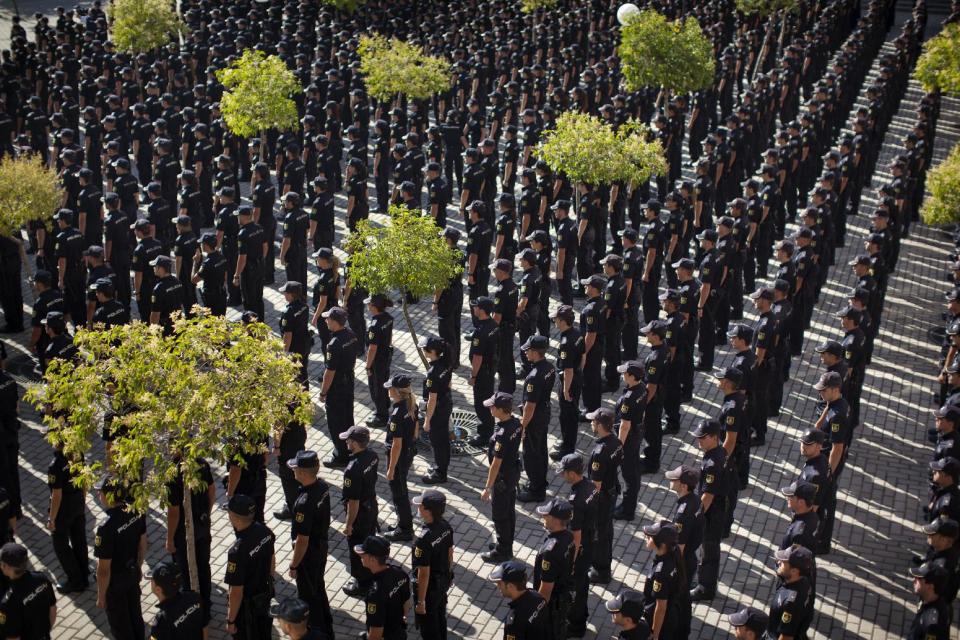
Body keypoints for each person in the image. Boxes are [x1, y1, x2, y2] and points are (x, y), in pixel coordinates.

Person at [286, 450, 334, 637]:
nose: (293, 471)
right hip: (321, 547)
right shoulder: (321, 486)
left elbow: (302, 540)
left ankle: (317, 632)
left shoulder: (304, 503)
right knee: (319, 589)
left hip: (309, 555)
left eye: (296, 468)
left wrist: (294, 564)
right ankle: (327, 628)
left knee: (309, 598)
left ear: (304, 473)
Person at [94, 476, 147, 640]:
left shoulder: (105, 528)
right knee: (135, 615)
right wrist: (137, 565)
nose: (98, 496)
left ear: (109, 497)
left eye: (100, 493)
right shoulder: (135, 510)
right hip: (132, 573)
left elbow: (103, 570)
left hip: (115, 583)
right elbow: (143, 544)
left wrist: (101, 595)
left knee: (120, 625)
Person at [165, 456, 215, 628]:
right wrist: (206, 514)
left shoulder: (173, 473)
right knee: (203, 566)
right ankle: (206, 605)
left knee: (186, 573)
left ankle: (193, 613)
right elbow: (211, 490)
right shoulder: (202, 462)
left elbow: (173, 512)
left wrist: (169, 538)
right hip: (201, 526)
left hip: (184, 532)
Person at [224, 494, 276, 639]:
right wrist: (270, 579)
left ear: (234, 517)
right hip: (265, 597)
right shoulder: (264, 531)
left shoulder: (237, 552)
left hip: (247, 610)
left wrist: (231, 619)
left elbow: (236, 591)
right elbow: (272, 557)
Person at [340, 425, 380, 597]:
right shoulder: (372, 456)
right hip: (371, 505)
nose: (346, 442)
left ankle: (362, 583)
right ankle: (371, 572)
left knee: (357, 548)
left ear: (355, 444)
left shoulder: (352, 470)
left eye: (349, 440)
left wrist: (349, 524)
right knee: (369, 541)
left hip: (360, 513)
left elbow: (353, 501)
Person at [481, 392, 521, 562]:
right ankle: (506, 544)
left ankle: (502, 551)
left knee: (500, 515)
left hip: (502, 478)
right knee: (509, 511)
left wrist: (487, 488)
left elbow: (495, 464)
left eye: (492, 406)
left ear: (501, 410)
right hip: (513, 474)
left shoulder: (502, 435)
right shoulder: (516, 423)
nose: (490, 408)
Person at [689, 419, 727, 602]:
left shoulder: (713, 462)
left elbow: (708, 495)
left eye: (703, 438)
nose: (699, 441)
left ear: (714, 437)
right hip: (718, 510)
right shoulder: (719, 452)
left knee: (708, 551)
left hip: (713, 513)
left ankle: (705, 588)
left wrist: (696, 516)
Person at [559, 453, 596, 637]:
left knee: (577, 588)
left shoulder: (575, 499)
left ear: (572, 473)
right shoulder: (589, 484)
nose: (561, 476)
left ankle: (576, 625)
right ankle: (581, 617)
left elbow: (576, 534)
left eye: (563, 472)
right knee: (583, 584)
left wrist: (572, 561)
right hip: (591, 541)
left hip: (582, 548)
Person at [411, 489, 454, 640]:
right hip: (442, 581)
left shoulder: (423, 539)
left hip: (429, 588)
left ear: (427, 511)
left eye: (420, 506)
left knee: (429, 627)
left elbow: (423, 573)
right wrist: (448, 576)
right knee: (440, 617)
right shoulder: (446, 526)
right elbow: (450, 553)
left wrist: (421, 601)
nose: (418, 508)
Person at [319, 307, 359, 467]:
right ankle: (352, 446)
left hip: (336, 387)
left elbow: (329, 372)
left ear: (335, 322)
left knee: (335, 422)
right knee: (347, 416)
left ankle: (341, 455)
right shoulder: (351, 335)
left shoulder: (333, 344)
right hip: (348, 380)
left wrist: (323, 392)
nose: (326, 320)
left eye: (328, 318)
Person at [587, 407, 622, 584]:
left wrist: (588, 504)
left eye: (593, 421)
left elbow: (596, 485)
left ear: (600, 425)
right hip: (612, 492)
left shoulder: (600, 452)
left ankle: (601, 571)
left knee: (599, 534)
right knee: (606, 531)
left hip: (602, 497)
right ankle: (604, 565)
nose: (591, 423)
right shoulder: (616, 442)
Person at [47, 441, 88, 594]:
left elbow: (56, 494)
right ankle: (84, 574)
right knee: (79, 540)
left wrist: (52, 519)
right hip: (78, 502)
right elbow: (84, 479)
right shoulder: (77, 453)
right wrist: (82, 501)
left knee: (61, 546)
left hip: (63, 510)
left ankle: (76, 581)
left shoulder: (55, 465)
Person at [533, 498, 576, 637]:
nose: (543, 517)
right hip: (562, 596)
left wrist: (536, 611)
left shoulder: (550, 551)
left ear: (556, 520)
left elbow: (546, 588)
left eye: (546, 515)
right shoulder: (569, 536)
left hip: (551, 604)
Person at [518, 335, 554, 502]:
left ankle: (536, 490)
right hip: (544, 413)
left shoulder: (534, 375)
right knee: (540, 451)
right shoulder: (549, 367)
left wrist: (523, 427)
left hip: (534, 417)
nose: (525, 352)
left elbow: (530, 406)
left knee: (531, 455)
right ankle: (539, 483)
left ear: (535, 352)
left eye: (528, 350)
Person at [355, 535, 411, 640]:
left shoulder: (375, 594)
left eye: (363, 554)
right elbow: (406, 602)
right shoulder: (400, 573)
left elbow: (376, 635)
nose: (360, 556)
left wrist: (369, 636)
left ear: (372, 559)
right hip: (399, 632)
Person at [640, 521, 690, 639]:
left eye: (651, 536)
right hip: (675, 610)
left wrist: (655, 634)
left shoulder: (661, 573)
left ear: (662, 545)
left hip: (664, 622)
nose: (647, 536)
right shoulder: (674, 551)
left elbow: (661, 607)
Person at [383, 374, 417, 542]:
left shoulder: (397, 413)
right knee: (401, 489)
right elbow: (416, 428)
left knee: (399, 493)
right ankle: (402, 523)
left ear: (397, 391)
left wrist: (390, 469)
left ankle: (404, 529)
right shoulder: (411, 404)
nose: (388, 390)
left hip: (398, 457)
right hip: (407, 454)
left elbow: (396, 444)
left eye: (390, 388)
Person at [0, 543, 57, 639]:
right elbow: (53, 608)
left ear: (7, 567)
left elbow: (12, 637)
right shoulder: (41, 578)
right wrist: (45, 632)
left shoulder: (8, 602)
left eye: (1, 563)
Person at [613, 360, 646, 521]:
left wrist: (619, 446)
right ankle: (627, 505)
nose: (622, 375)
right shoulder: (642, 388)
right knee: (633, 473)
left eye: (625, 373)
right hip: (637, 433)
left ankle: (627, 510)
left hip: (629, 438)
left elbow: (624, 426)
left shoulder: (629, 398)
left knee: (628, 475)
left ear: (632, 376)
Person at [551, 305, 584, 460]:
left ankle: (567, 449)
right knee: (571, 414)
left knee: (567, 416)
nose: (554, 321)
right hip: (577, 377)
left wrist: (565, 390)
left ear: (563, 321)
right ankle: (566, 443)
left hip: (569, 381)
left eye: (556, 319)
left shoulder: (566, 342)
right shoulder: (577, 333)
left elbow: (568, 369)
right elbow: (583, 356)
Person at [420, 336, 452, 484]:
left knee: (437, 441)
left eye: (425, 348)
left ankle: (440, 473)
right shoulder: (446, 362)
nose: (422, 349)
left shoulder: (432, 372)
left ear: (432, 351)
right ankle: (442, 467)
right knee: (444, 438)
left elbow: (432, 399)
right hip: (446, 402)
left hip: (437, 408)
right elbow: (449, 383)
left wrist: (427, 421)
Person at [467, 297, 499, 446]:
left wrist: (473, 376)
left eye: (475, 307)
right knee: (487, 398)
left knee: (481, 404)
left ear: (481, 310)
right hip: (490, 369)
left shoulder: (480, 331)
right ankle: (489, 429)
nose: (473, 309)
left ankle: (485, 435)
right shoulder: (493, 325)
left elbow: (477, 357)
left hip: (482, 372)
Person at [665, 465, 703, 589]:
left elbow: (679, 547)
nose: (671, 480)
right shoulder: (696, 500)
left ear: (684, 486)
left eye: (674, 479)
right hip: (691, 556)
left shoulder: (682, 513)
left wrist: (672, 569)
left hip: (684, 562)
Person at [147, 559, 204, 640]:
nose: (150, 581)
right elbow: (204, 625)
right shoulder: (194, 597)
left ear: (158, 589)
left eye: (152, 580)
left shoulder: (162, 622)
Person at [489, 560, 548, 637]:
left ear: (510, 586)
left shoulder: (514, 622)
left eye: (500, 583)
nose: (498, 586)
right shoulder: (538, 597)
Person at [768, 545, 815, 640]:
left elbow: (786, 636)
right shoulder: (805, 576)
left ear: (794, 571)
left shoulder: (791, 602)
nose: (778, 562)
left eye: (783, 562)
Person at [365, 294, 395, 429]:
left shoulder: (374, 325)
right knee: (383, 382)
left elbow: (372, 348)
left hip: (377, 360)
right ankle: (386, 404)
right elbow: (389, 337)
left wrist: (367, 366)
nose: (367, 306)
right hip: (386, 355)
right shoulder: (388, 318)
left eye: (369, 304)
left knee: (376, 388)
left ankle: (381, 416)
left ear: (374, 307)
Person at [234, 205, 267, 321]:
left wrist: (236, 275)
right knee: (258, 297)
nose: (237, 218)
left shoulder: (242, 233)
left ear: (244, 216)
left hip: (249, 270)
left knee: (249, 300)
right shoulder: (259, 227)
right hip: (260, 266)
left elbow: (242, 258)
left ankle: (252, 328)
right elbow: (265, 246)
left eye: (238, 215)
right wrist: (260, 260)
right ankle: (261, 321)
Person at [907, 561, 952, 640]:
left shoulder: (932, 622)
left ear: (930, 586)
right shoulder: (926, 597)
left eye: (919, 579)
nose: (913, 581)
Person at [279, 282, 313, 386]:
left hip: (294, 348)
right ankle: (305, 394)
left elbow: (288, 335)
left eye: (285, 292)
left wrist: (284, 353)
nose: (284, 294)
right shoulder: (304, 306)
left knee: (294, 374)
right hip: (305, 343)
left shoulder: (288, 312)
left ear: (291, 294)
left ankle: (296, 399)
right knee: (303, 370)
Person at [191, 233, 228, 316]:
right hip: (222, 293)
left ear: (205, 245)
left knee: (211, 323)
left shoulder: (207, 264)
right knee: (222, 319)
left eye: (201, 243)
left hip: (211, 298)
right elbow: (225, 275)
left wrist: (195, 263)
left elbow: (194, 280)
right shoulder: (221, 256)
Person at [148, 255, 185, 335]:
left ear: (161, 269)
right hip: (178, 323)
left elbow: (155, 314)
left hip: (166, 327)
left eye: (155, 266)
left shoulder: (158, 289)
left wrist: (153, 332)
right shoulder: (177, 281)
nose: (153, 268)